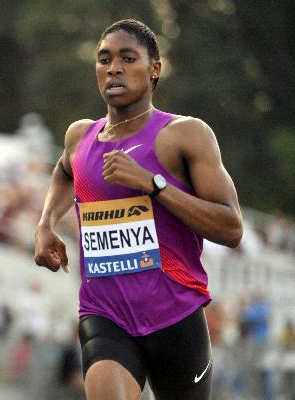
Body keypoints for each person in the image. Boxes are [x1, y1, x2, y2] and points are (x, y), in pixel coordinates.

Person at [34, 19, 243, 400]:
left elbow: (231, 228)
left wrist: (154, 185)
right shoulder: (80, 136)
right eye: (104, 59)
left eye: (128, 58)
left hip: (175, 316)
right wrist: (45, 224)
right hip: (104, 314)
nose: (113, 67)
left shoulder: (186, 135)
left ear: (155, 69)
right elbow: (64, 173)